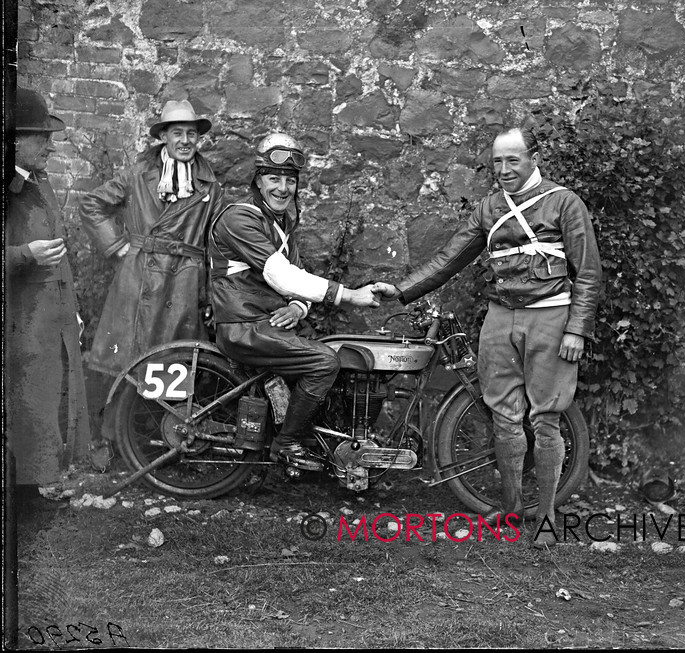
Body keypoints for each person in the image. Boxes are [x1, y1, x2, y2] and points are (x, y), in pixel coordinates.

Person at [373, 127, 602, 546]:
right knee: (504, 417)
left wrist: (577, 329)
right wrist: (402, 290)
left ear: (534, 158)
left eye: (512, 160)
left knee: (546, 419)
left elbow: (587, 273)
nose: (503, 170)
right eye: (497, 162)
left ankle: (547, 518)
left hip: (550, 317)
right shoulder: (489, 208)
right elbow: (450, 258)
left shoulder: (564, 203)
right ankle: (512, 511)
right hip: (501, 318)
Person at [208, 132, 381, 462]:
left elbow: (296, 274)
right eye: (274, 179)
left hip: (265, 321)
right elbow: (281, 275)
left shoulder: (282, 221)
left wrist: (298, 307)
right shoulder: (239, 218)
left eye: (290, 181)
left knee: (336, 352)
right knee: (324, 361)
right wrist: (349, 296)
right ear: (258, 182)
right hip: (242, 325)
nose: (282, 189)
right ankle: (286, 443)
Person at [79, 100, 224, 376]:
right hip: (139, 275)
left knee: (173, 367)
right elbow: (91, 204)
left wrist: (212, 296)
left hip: (184, 281)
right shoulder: (138, 175)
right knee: (128, 366)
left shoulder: (210, 186)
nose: (185, 141)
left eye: (191, 134)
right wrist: (116, 244)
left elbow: (217, 246)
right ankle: (121, 416)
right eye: (177, 133)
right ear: (163, 137)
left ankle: (161, 418)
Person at [4, 88, 92, 509]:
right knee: (20, 403)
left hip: (46, 317)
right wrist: (25, 255)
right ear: (13, 140)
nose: (50, 145)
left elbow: (60, 255)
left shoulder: (40, 182)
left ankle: (30, 487)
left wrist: (70, 311)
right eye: (41, 137)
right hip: (17, 317)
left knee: (41, 402)